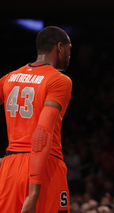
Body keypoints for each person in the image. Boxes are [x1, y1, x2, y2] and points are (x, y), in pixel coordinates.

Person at [0, 26, 72, 212]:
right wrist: (33, 192)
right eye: (69, 48)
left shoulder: (10, 77)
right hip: (43, 167)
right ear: (60, 47)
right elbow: (43, 131)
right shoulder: (59, 80)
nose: (70, 54)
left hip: (10, 168)